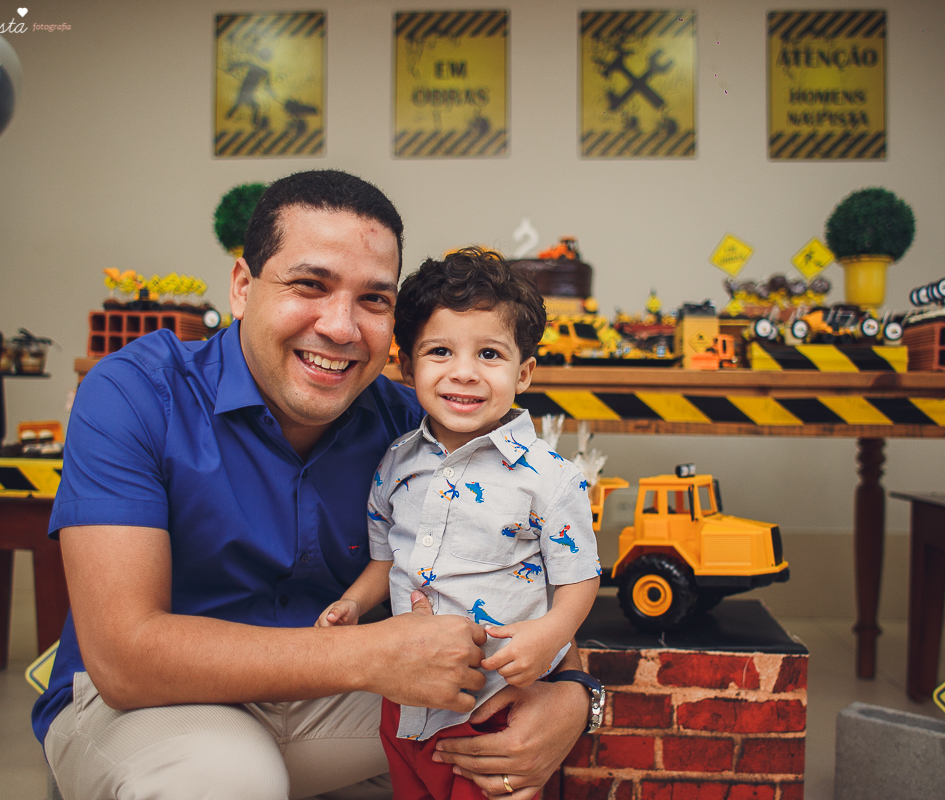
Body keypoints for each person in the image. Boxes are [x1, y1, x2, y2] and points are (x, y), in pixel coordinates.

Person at [33, 170, 592, 800]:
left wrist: (572, 694)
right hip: (149, 706)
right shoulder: (135, 394)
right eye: (310, 285)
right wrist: (372, 656)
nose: (341, 327)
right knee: (224, 780)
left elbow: (516, 567)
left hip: (334, 701)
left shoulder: (415, 428)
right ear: (243, 287)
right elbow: (125, 659)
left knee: (494, 745)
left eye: (375, 300)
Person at [315, 248, 601, 800]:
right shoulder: (396, 462)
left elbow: (579, 577)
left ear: (523, 373)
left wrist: (551, 636)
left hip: (491, 704)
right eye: (440, 351)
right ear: (408, 367)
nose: (464, 372)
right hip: (404, 701)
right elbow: (384, 559)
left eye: (489, 354)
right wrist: (354, 602)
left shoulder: (548, 479)